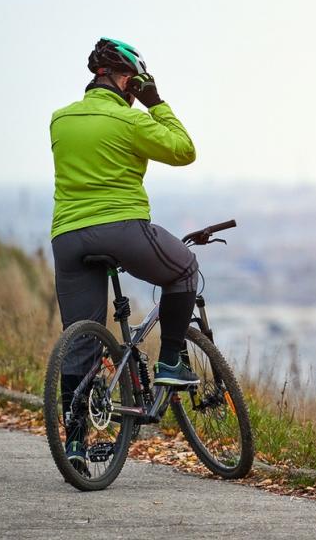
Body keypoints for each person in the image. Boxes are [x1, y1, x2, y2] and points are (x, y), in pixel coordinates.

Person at [49, 37, 200, 471]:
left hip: (69, 238)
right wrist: (155, 101)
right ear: (129, 80)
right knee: (184, 269)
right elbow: (184, 150)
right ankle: (171, 361)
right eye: (135, 85)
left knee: (81, 338)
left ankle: (75, 447)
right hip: (121, 230)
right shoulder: (130, 121)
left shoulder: (59, 120)